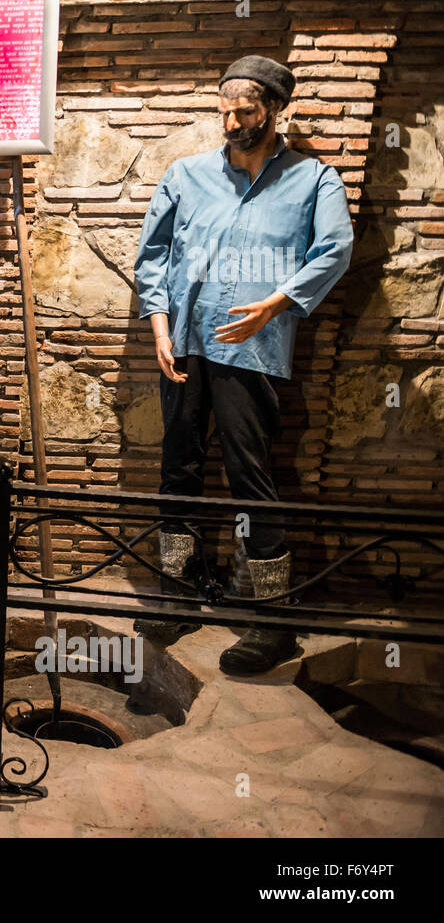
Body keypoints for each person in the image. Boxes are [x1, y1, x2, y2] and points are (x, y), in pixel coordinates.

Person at [133, 55, 354, 675]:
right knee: (178, 466)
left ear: (276, 111)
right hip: (183, 343)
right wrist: (158, 323)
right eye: (224, 110)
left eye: (247, 111)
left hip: (252, 349)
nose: (232, 121)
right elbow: (151, 255)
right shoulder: (187, 174)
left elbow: (335, 248)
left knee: (248, 474)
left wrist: (279, 304)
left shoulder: (314, 180)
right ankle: (179, 593)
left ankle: (271, 617)